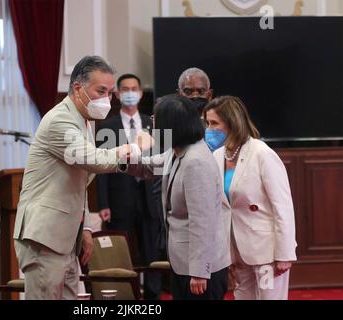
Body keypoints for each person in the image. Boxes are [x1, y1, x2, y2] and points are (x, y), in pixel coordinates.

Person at [13, 56, 132, 300]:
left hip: (68, 237)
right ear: (78, 88)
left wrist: (85, 226)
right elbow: (95, 161)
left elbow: (81, 180)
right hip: (45, 236)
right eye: (101, 91)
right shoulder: (60, 120)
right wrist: (134, 148)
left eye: (110, 93)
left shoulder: (85, 121)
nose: (107, 100)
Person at [122, 94, 231, 300]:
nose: (152, 125)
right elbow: (148, 166)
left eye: (156, 120)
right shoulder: (178, 151)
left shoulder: (195, 161)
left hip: (200, 270)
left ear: (170, 125)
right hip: (184, 262)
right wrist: (123, 160)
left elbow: (202, 221)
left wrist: (199, 271)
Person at [203, 95, 297, 300]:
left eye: (214, 123)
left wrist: (284, 253)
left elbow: (283, 206)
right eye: (207, 123)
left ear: (232, 123)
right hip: (236, 252)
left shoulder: (262, 153)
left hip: (266, 253)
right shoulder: (217, 156)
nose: (209, 129)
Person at [96, 73, 162, 299]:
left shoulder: (154, 123)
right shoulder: (108, 126)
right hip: (119, 199)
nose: (130, 93)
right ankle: (124, 296)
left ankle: (153, 296)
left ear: (141, 93)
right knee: (121, 253)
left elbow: (163, 162)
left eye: (134, 89)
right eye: (125, 89)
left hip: (150, 198)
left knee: (151, 252)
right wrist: (103, 203)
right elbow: (102, 168)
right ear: (117, 94)